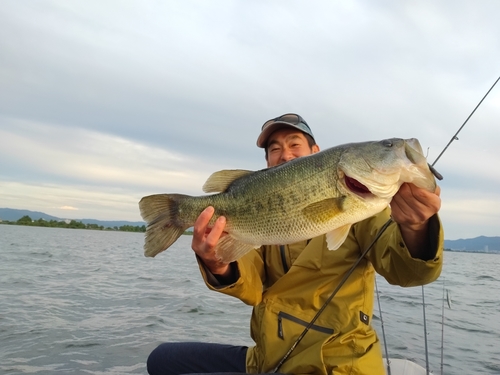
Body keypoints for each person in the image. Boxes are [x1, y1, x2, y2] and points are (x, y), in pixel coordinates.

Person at [147, 113, 444, 375]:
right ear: (266, 164)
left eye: (294, 145)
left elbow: (408, 272)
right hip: (267, 358)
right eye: (274, 149)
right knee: (161, 360)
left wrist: (416, 226)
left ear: (317, 152)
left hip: (334, 365)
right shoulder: (261, 217)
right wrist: (217, 262)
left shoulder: (368, 212)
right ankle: (176, 212)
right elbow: (250, 286)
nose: (285, 154)